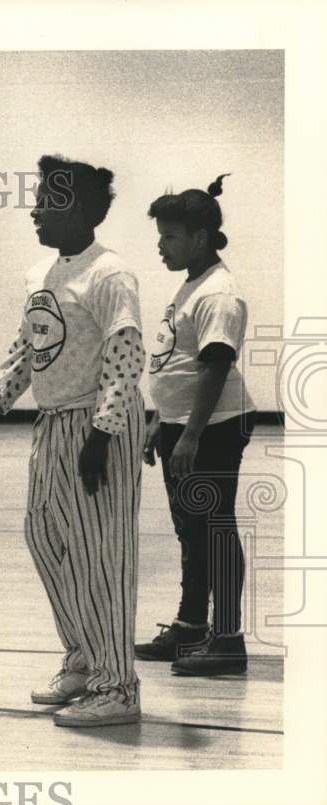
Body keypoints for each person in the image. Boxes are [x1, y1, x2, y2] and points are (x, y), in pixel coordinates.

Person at [0, 155, 146, 728]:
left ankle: (119, 686)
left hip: (97, 426)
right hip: (54, 423)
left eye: (46, 201)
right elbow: (26, 352)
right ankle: (84, 657)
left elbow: (125, 359)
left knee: (101, 556)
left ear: (76, 209)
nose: (33, 209)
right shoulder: (43, 275)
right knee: (44, 537)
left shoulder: (111, 275)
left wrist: (102, 436)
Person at [136, 175, 257, 676]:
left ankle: (227, 640)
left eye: (169, 237)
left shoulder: (219, 293)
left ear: (200, 238)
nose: (160, 245)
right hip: (181, 426)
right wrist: (159, 422)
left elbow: (214, 366)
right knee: (193, 531)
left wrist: (190, 434)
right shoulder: (194, 283)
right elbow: (177, 361)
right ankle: (190, 627)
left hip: (213, 428)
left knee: (215, 530)